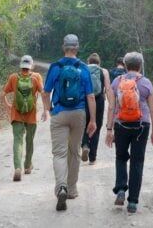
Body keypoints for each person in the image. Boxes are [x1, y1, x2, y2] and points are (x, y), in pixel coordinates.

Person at [42, 34, 97, 211]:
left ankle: (61, 188)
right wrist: (93, 120)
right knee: (74, 152)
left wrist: (49, 109)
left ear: (63, 47)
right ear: (77, 48)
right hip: (79, 113)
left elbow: (45, 92)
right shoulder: (83, 68)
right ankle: (72, 189)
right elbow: (90, 96)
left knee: (59, 153)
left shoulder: (55, 67)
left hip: (59, 112)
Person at [105, 51, 153, 214]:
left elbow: (112, 107)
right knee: (137, 161)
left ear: (126, 66)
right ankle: (133, 201)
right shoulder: (146, 83)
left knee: (121, 157)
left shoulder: (117, 81)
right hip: (141, 125)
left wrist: (109, 129)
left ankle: (121, 189)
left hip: (121, 124)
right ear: (140, 66)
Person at [2, 55, 47, 181]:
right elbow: (43, 94)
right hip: (31, 115)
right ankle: (27, 166)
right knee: (29, 140)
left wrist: (8, 106)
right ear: (32, 65)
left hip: (16, 114)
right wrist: (45, 110)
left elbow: (3, 93)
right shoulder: (36, 77)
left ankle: (17, 167)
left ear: (21, 65)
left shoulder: (13, 77)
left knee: (17, 140)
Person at [81, 53, 111, 165]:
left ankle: (84, 144)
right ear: (99, 62)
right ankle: (92, 158)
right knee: (96, 127)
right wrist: (112, 104)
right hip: (99, 101)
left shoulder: (83, 70)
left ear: (88, 61)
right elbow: (108, 88)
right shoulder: (103, 71)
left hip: (85, 100)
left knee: (84, 124)